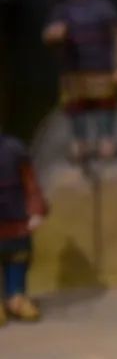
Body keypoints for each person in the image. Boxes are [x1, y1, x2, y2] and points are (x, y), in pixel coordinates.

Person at [42, 0, 117, 162]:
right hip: (73, 69)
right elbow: (49, 35)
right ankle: (79, 141)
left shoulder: (104, 7)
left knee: (104, 106)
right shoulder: (62, 10)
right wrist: (54, 34)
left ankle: (106, 139)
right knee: (76, 107)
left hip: (101, 68)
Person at [0, 134, 48, 322]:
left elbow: (30, 182)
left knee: (18, 258)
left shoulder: (14, 149)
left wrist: (36, 210)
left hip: (16, 219)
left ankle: (16, 298)